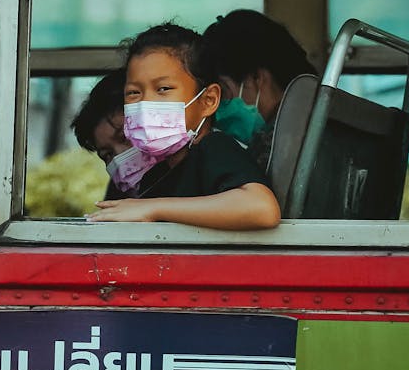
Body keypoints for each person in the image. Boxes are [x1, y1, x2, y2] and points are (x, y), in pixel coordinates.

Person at [87, 23, 280, 230]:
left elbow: (261, 208)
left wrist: (153, 208)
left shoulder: (213, 147)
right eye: (134, 92)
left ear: (208, 100)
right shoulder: (160, 171)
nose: (145, 104)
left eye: (163, 89)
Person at [202, 9, 317, 170]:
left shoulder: (279, 146)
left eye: (224, 92)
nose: (218, 109)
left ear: (256, 77)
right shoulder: (318, 119)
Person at [70, 68, 131, 200]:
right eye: (108, 154)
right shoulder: (120, 191)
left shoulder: (185, 176)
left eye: (125, 137)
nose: (120, 155)